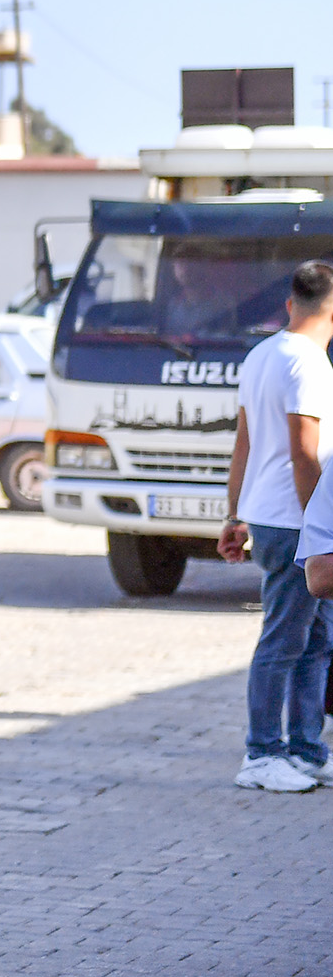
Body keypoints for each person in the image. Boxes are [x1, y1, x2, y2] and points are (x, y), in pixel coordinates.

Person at [218, 259, 333, 792]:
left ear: (291, 304)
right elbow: (305, 452)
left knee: (314, 639)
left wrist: (234, 514)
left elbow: (243, 443)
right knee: (285, 640)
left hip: (269, 514)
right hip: (295, 521)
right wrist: (321, 528)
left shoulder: (261, 354)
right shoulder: (309, 364)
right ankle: (262, 756)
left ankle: (307, 750)